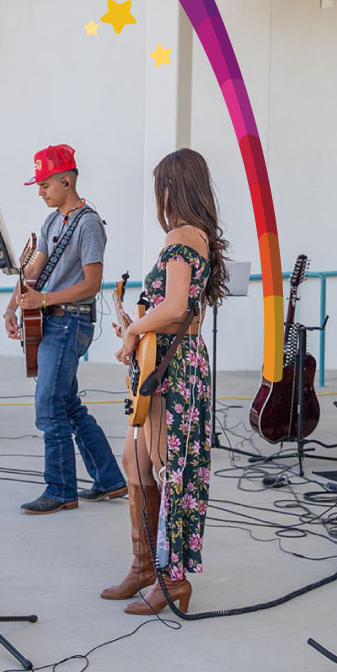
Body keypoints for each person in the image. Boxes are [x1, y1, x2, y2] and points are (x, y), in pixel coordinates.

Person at [104, 148, 225, 615]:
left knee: (168, 468)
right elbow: (175, 310)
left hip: (174, 368)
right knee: (137, 462)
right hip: (171, 362)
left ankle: (171, 579)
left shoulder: (181, 236)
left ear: (173, 187)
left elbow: (175, 307)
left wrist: (135, 329)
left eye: (161, 187)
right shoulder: (199, 237)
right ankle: (144, 566)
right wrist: (136, 325)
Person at [4, 144, 126, 514]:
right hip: (54, 319)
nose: (40, 191)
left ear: (66, 180)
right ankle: (109, 479)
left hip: (69, 320)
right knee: (68, 404)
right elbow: (33, 272)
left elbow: (92, 283)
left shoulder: (88, 223)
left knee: (48, 406)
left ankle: (61, 490)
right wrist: (12, 306)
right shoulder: (52, 221)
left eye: (44, 184)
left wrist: (42, 300)